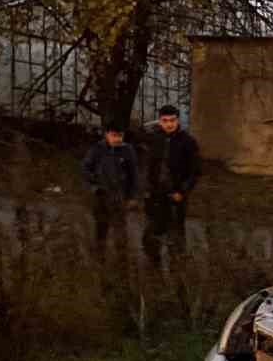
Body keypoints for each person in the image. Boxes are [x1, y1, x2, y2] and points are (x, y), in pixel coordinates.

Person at [142, 104, 202, 264]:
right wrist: (147, 189)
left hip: (176, 194)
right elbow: (148, 166)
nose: (169, 124)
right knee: (152, 231)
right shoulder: (154, 139)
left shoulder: (188, 142)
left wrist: (182, 191)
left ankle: (178, 270)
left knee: (175, 234)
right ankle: (153, 267)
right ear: (159, 121)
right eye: (165, 120)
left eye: (172, 120)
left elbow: (195, 171)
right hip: (155, 193)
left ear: (178, 120)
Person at [81, 123, 138, 247]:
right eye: (114, 135)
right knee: (101, 230)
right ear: (107, 134)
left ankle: (122, 262)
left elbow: (133, 175)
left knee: (120, 231)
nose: (117, 139)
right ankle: (99, 261)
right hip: (101, 196)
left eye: (120, 136)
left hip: (119, 196)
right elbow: (85, 169)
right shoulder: (97, 149)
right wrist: (95, 186)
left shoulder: (128, 150)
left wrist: (132, 196)